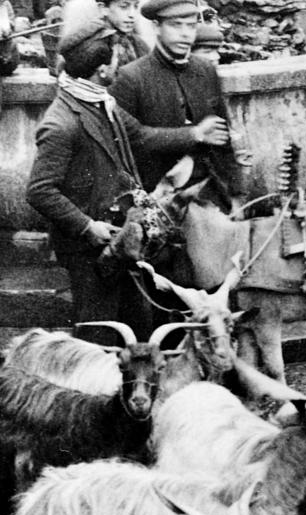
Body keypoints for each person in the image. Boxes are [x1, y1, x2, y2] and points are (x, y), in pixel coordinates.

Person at [25, 16, 203, 339]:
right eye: (116, 57)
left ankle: (130, 389)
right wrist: (86, 226)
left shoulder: (102, 103)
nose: (121, 62)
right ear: (102, 70)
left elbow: (142, 136)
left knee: (138, 328)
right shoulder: (61, 123)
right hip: (90, 253)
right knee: (99, 337)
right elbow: (39, 191)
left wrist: (195, 136)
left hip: (122, 242)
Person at [109, 0, 235, 196]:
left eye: (191, 26)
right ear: (156, 27)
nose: (185, 33)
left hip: (209, 192)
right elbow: (129, 140)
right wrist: (194, 134)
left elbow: (224, 140)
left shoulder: (205, 70)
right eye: (175, 25)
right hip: (158, 196)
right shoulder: (131, 77)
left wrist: (236, 194)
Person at [96, 0, 148, 66]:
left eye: (136, 6)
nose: (132, 14)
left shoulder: (138, 43)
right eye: (124, 7)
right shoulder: (96, 46)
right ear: (103, 9)